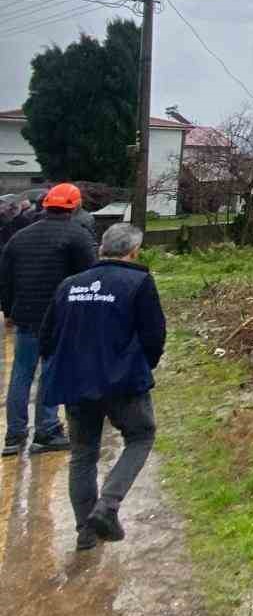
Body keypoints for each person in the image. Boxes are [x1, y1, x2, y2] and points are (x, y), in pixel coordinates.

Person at [38, 221, 165, 550]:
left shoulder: (69, 285)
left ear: (101, 249)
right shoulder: (139, 281)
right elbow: (154, 337)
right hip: (123, 382)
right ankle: (107, 506)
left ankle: (85, 532)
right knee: (140, 436)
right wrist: (140, 367)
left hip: (77, 383)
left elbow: (47, 337)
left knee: (83, 455)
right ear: (134, 252)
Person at [1, 183, 96, 456]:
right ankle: (47, 430)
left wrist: (9, 312)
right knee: (51, 373)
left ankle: (14, 435)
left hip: (26, 317)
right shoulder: (77, 236)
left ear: (45, 205)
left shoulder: (19, 237)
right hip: (60, 318)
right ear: (74, 206)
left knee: (21, 374)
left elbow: (5, 281)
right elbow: (90, 277)